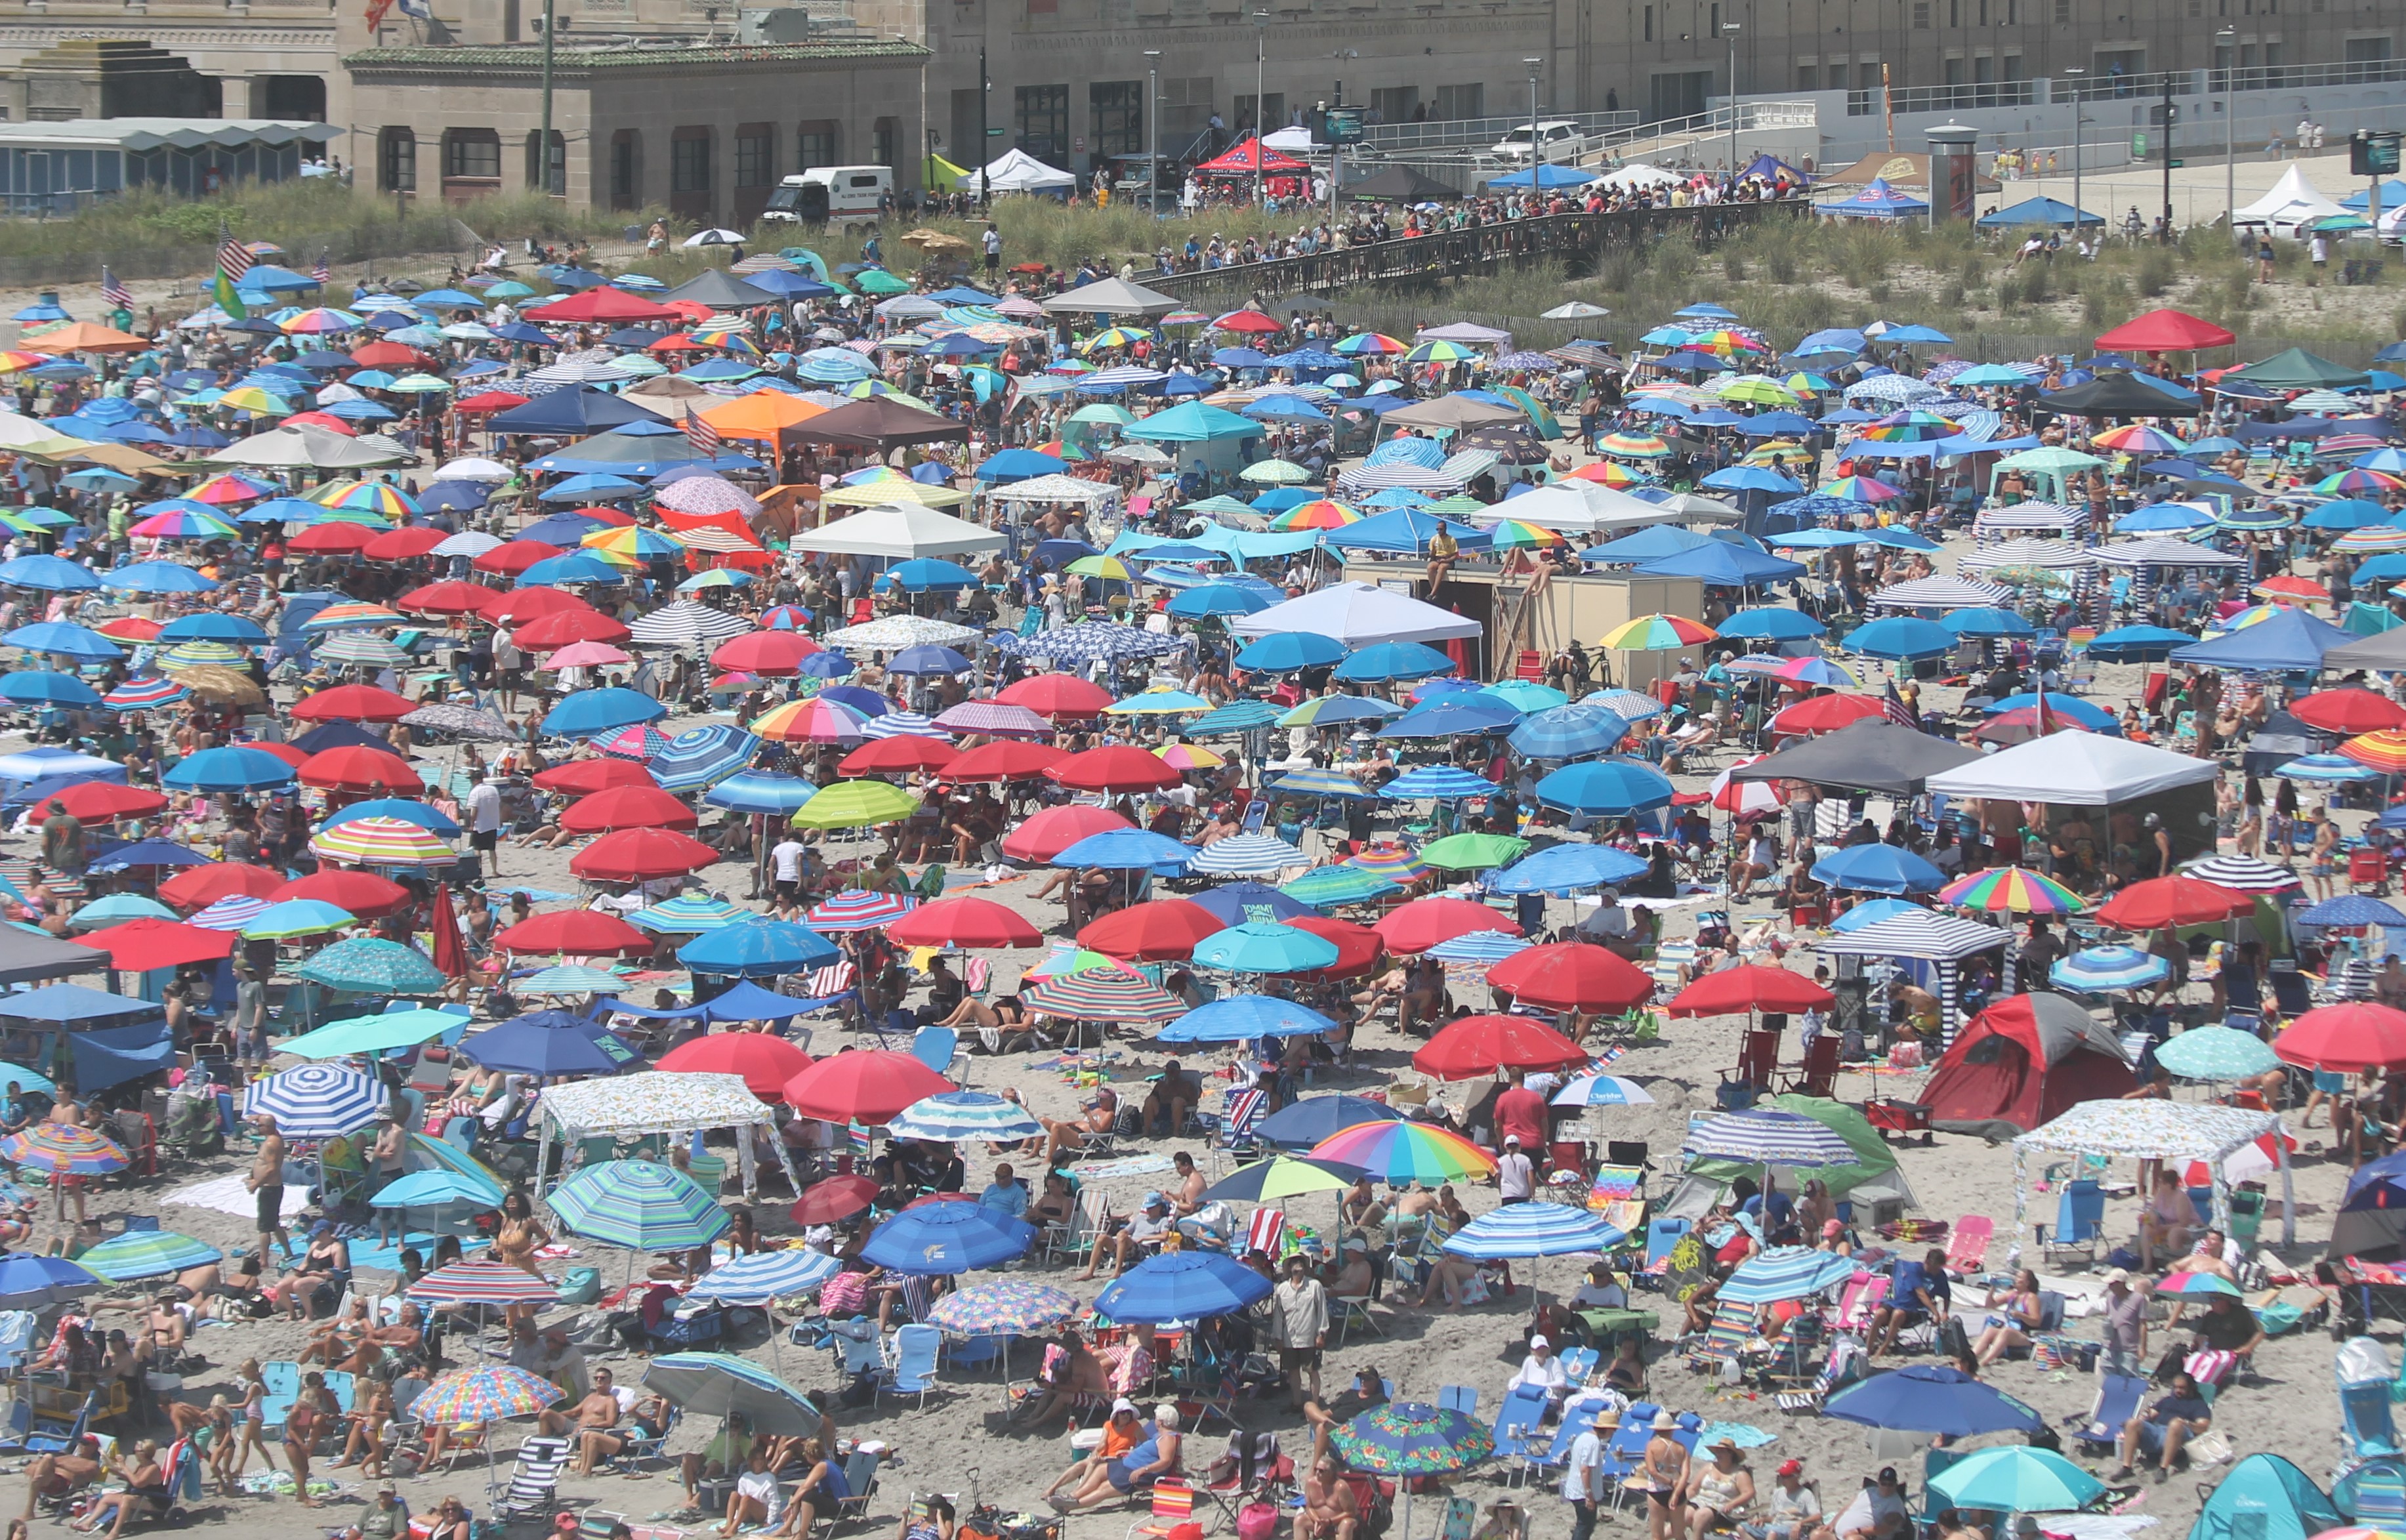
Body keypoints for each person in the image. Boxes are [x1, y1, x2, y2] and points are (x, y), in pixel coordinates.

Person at [1055, 1404, 1181, 1510]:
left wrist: (1144, 1470)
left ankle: (1070, 1506)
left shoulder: (1168, 1438)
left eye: (1156, 1418)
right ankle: (1072, 1497)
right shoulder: (1161, 1435)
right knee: (1100, 1470)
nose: (1155, 1421)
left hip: (1138, 1472)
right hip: (1128, 1464)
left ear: (1161, 1422)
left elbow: (1166, 1461)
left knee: (1105, 1487)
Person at [2112, 1371, 2212, 1482]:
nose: (2178, 1391)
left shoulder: (2198, 1404)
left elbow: (2204, 1427)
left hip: (2179, 1434)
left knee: (2175, 1424)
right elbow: (2152, 1414)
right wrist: (2146, 1415)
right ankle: (2127, 1468)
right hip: (2157, 1431)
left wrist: (2186, 1423)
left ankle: (2163, 1469)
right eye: (2175, 1387)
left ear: (2191, 1388)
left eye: (2182, 1388)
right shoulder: (2167, 1400)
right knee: (2132, 1423)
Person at [1864, 1248, 1949, 1359]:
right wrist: (1936, 1313)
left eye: (1939, 1267)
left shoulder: (1940, 1276)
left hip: (1916, 1310)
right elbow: (1921, 1293)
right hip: (1896, 1303)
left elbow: (1946, 1295)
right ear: (1928, 1262)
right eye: (1936, 1267)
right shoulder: (1914, 1269)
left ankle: (1883, 1348)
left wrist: (1945, 1312)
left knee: (1898, 1314)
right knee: (1879, 1313)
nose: (1937, 1270)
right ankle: (1867, 1349)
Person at [1270, 1253, 1330, 1409]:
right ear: (1289, 1268)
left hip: (1309, 1337)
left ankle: (1315, 1404)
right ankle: (1297, 1403)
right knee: (1293, 1372)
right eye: (1294, 1263)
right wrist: (1277, 1337)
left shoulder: (1315, 1286)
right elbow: (1278, 1316)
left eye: (1300, 1262)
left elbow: (1322, 1311)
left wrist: (1322, 1334)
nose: (1298, 1265)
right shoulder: (1282, 1290)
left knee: (1313, 1371)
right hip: (1289, 1338)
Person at [1681, 1438, 1755, 1540]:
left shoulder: (1739, 1474)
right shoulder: (1709, 1467)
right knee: (1686, 1514)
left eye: (1722, 1452)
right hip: (1701, 1501)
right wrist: (1682, 1499)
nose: (1718, 1454)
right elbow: (1694, 1488)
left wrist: (1733, 1504)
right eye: (1717, 1451)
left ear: (1731, 1454)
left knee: (1701, 1515)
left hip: (1723, 1507)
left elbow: (1749, 1493)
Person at [1968, 1269, 2045, 1367]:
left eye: (2019, 1278)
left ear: (2027, 1283)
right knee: (1990, 1330)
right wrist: (1993, 1289)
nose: (2015, 1279)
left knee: (2006, 1332)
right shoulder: (2012, 1294)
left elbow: (2036, 1321)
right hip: (2009, 1331)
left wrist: (2021, 1315)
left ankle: (1984, 1361)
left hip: (2024, 1336)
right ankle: (1971, 1357)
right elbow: (1990, 1305)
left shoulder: (2031, 1298)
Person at [1562, 1404, 1615, 1540]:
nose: (1614, 1433)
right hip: (1582, 1491)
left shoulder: (1584, 1437)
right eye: (1613, 1429)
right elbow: (1585, 1470)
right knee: (1585, 1526)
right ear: (1607, 1428)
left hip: (1575, 1488)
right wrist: (1589, 1495)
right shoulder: (1594, 1443)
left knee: (1584, 1526)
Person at [245, 1113, 292, 1265]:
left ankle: (263, 1260)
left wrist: (256, 1184)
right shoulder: (273, 1137)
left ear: (269, 1127)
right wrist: (258, 1117)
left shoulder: (273, 1143)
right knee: (274, 1223)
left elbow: (272, 1169)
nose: (257, 1128)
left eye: (260, 1126)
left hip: (269, 1188)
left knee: (264, 1227)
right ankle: (288, 1252)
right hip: (271, 1187)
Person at [1811, 1467, 1907, 1540]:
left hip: (1863, 1536)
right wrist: (1832, 1524)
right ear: (1878, 1482)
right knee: (1816, 1535)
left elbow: (1884, 1529)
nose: (1887, 1487)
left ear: (1896, 1484)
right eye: (1884, 1484)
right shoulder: (1869, 1491)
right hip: (1838, 1533)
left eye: (1890, 1485)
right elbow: (1847, 1508)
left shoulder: (1895, 1504)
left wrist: (1858, 1531)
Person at [1745, 1461, 1820, 1540]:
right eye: (1781, 1476)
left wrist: (1801, 1523)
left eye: (1786, 1476)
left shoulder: (1806, 1494)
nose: (1782, 1479)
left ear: (1796, 1477)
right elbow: (1773, 1517)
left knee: (1773, 1533)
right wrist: (1762, 1519)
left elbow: (1817, 1516)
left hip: (1793, 1528)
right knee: (1742, 1527)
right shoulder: (1777, 1492)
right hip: (1777, 1525)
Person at [1296, 1454, 1361, 1540]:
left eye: (1321, 1471)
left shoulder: (1341, 1487)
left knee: (1347, 1524)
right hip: (1320, 1521)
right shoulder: (1310, 1483)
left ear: (1331, 1473)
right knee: (1299, 1520)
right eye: (1316, 1469)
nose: (1317, 1473)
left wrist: (1329, 1521)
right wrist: (1317, 1521)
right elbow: (1309, 1507)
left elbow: (1350, 1512)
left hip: (1338, 1523)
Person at [2099, 1268, 2148, 1380]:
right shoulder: (2110, 1297)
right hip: (2109, 1346)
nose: (2109, 1287)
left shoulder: (2138, 1299)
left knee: (2128, 1381)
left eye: (2112, 1284)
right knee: (2108, 1380)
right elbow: (2109, 1316)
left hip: (2128, 1349)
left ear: (2121, 1284)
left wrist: (2143, 1348)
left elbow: (2143, 1324)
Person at [1507, 1333, 1570, 1407]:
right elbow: (1523, 1377)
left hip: (1550, 1397)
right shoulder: (1529, 1361)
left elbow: (1562, 1383)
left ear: (1548, 1349)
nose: (1541, 1351)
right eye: (1538, 1349)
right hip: (1532, 1394)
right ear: (1532, 1351)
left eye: (1543, 1348)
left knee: (1537, 1406)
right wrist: (1514, 1381)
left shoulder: (1555, 1362)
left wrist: (1542, 1387)